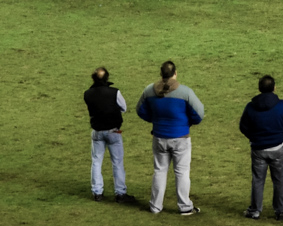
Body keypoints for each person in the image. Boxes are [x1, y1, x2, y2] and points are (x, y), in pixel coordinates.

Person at [135, 61, 204, 216]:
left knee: (159, 171)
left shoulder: (149, 90)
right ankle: (185, 207)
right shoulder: (185, 92)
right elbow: (199, 113)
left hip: (159, 137)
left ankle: (155, 206)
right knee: (182, 172)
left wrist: (155, 120)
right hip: (181, 138)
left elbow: (140, 110)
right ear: (175, 73)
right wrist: (187, 123)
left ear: (161, 73)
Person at [238, 75, 283, 221]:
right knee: (279, 180)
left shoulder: (251, 107)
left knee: (258, 180)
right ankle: (281, 211)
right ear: (274, 88)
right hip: (278, 149)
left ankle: (255, 211)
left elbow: (243, 127)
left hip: (258, 149)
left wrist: (254, 137)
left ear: (259, 89)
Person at [84, 67, 137, 204]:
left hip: (97, 132)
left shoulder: (87, 94)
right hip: (113, 131)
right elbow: (124, 108)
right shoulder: (114, 92)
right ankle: (120, 194)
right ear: (107, 78)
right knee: (117, 162)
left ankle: (97, 193)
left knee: (96, 161)